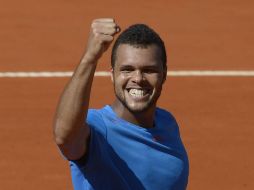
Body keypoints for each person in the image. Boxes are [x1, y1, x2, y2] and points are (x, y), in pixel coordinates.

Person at [53, 18, 189, 190]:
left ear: (164, 74)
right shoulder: (99, 129)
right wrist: (89, 58)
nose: (138, 78)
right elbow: (65, 137)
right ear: (112, 74)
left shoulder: (167, 122)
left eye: (149, 70)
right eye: (127, 70)